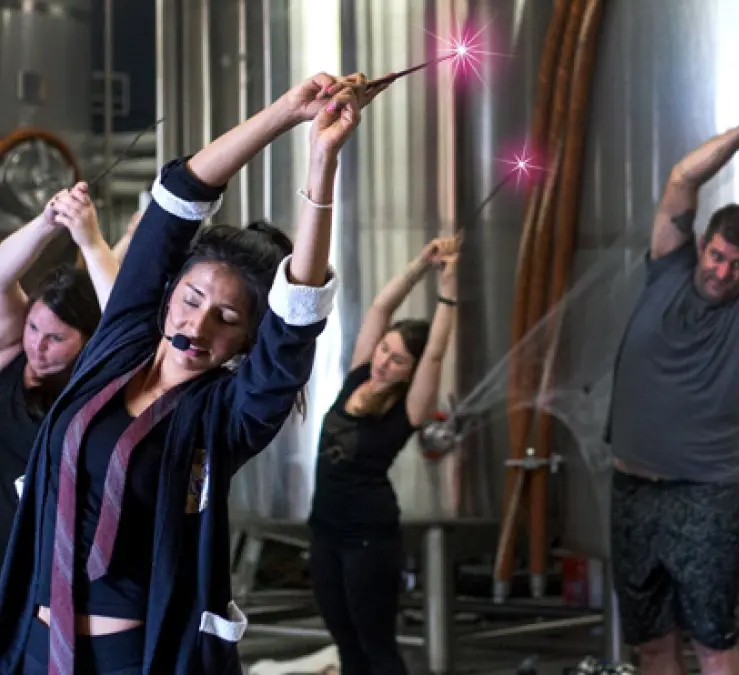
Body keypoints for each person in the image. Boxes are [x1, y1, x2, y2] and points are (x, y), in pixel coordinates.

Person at [0, 71, 371, 674]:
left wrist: (321, 161)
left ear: (247, 339)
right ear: (168, 292)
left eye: (227, 318)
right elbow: (179, 196)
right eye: (193, 299)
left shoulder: (227, 415)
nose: (197, 326)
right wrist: (285, 111)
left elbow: (296, 318)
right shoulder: (117, 345)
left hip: (132, 659)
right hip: (34, 648)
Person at [606, 88, 739, 675]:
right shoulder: (667, 270)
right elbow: (681, 179)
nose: (723, 271)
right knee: (652, 644)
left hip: (704, 498)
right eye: (718, 256)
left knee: (713, 644)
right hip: (631, 491)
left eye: (738, 265)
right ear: (701, 245)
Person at [306, 235, 460, 675]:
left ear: (410, 373)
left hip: (367, 539)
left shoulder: (407, 409)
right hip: (324, 532)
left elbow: (434, 353)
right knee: (347, 646)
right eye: (385, 350)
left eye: (398, 360)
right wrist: (421, 264)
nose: (384, 361)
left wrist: (447, 290)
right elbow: (380, 308)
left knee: (377, 648)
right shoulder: (359, 375)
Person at [0, 184, 119, 559]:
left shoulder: (93, 383)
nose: (37, 346)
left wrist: (93, 244)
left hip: (44, 561)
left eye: (56, 338)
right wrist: (46, 223)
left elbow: (125, 325)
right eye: (33, 328)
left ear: (87, 339)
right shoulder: (11, 352)